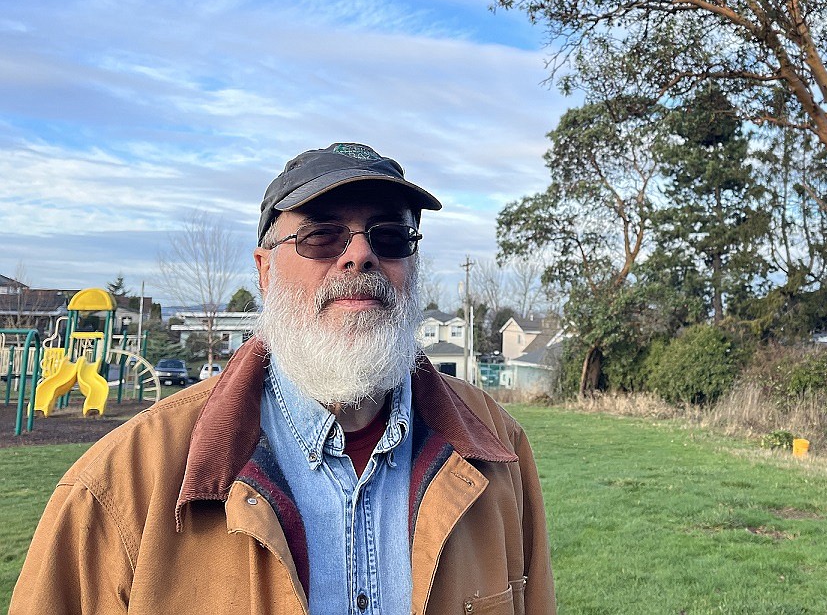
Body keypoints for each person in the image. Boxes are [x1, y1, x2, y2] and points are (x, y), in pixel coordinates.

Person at [10, 142, 556, 615]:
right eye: (322, 236)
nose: (361, 254)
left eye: (390, 236)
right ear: (264, 270)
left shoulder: (500, 452)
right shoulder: (117, 489)